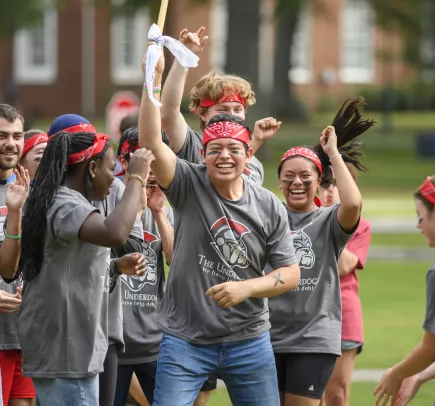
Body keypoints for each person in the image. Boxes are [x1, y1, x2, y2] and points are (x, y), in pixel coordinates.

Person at [139, 56, 300, 405]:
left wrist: (247, 288)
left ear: (248, 155)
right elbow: (152, 138)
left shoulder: (268, 204)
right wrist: (151, 81)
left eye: (233, 150)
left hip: (250, 340)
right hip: (185, 340)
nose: (224, 156)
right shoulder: (186, 183)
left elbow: (290, 273)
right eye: (214, 149)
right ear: (204, 153)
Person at [16, 129, 152, 406]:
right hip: (66, 351)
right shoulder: (65, 203)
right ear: (91, 168)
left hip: (70, 348)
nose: (113, 177)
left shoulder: (66, 201)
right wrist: (136, 177)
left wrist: (113, 266)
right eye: (110, 168)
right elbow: (115, 234)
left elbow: (64, 265)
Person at [269, 98, 375, 406]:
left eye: (306, 176)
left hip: (313, 338)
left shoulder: (328, 219)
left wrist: (332, 154)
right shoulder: (269, 216)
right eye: (288, 177)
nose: (297, 182)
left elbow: (353, 204)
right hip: (268, 335)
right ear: (279, 183)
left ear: (319, 182)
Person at [160, 26, 281, 187]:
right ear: (203, 113)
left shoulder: (256, 166)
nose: (232, 115)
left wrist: (255, 141)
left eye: (237, 109)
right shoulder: (192, 145)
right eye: (222, 109)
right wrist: (184, 57)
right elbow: (168, 113)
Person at [374, 174, 435, 406]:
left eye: (420, 217)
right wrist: (418, 375)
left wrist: (396, 373)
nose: (419, 225)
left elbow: (431, 347)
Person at [114, 126, 174, 406]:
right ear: (124, 162)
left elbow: (175, 259)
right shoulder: (108, 200)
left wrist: (159, 212)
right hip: (115, 340)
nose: (151, 170)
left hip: (154, 340)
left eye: (157, 161)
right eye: (143, 161)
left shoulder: (166, 204)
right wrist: (136, 207)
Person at [318, 164, 372, 406]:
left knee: (337, 393)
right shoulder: (298, 218)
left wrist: (331, 218)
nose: (331, 190)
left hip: (343, 312)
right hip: (305, 313)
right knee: (306, 395)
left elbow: (344, 265)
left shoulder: (361, 225)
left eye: (338, 184)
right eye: (325, 184)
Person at [0, 104, 35, 406]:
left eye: (16, 135)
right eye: (2, 135)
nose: (10, 143)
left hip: (26, 334)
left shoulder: (31, 192)